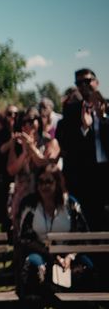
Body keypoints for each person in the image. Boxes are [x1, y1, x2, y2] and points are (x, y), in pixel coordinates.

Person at [17, 164, 93, 309]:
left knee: (86, 266)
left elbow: (83, 235)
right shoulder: (29, 205)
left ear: (57, 183)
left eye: (49, 182)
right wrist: (51, 255)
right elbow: (24, 238)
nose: (44, 186)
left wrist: (69, 256)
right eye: (41, 182)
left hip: (69, 254)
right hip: (40, 252)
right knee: (33, 264)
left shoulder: (71, 204)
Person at [56, 69, 109, 231]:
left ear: (97, 82)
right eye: (79, 83)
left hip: (106, 171)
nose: (84, 86)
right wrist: (84, 129)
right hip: (85, 174)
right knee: (88, 220)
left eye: (88, 81)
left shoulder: (107, 106)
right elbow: (67, 146)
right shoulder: (72, 111)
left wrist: (103, 118)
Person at [7, 107, 60, 228]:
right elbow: (11, 170)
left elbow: (45, 163)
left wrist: (31, 147)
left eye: (30, 121)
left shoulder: (49, 141)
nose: (27, 125)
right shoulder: (17, 144)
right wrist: (24, 152)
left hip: (45, 195)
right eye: (23, 122)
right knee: (21, 234)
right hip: (22, 196)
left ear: (38, 122)